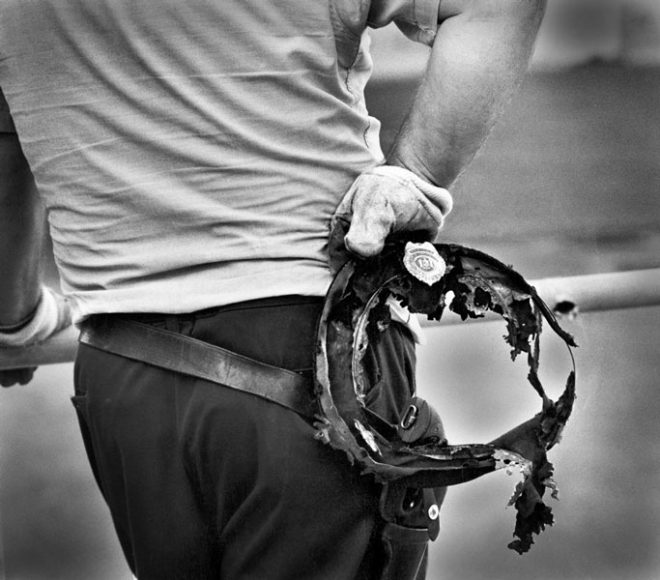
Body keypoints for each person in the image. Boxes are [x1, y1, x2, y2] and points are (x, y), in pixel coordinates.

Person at [0, 1, 547, 578]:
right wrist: (416, 173)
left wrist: (15, 318)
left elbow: (6, 140)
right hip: (314, 352)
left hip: (123, 373)